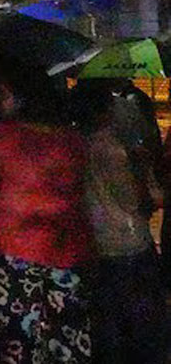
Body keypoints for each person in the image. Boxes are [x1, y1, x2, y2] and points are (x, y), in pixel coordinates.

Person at [0, 52, 92, 363]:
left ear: (11, 96)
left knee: (19, 338)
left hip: (15, 252)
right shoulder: (74, 139)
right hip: (67, 250)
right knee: (66, 338)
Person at [74, 81, 164, 363]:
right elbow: (138, 200)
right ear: (105, 110)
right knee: (141, 327)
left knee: (107, 326)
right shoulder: (114, 149)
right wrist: (143, 171)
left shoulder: (75, 143)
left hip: (94, 245)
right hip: (128, 244)